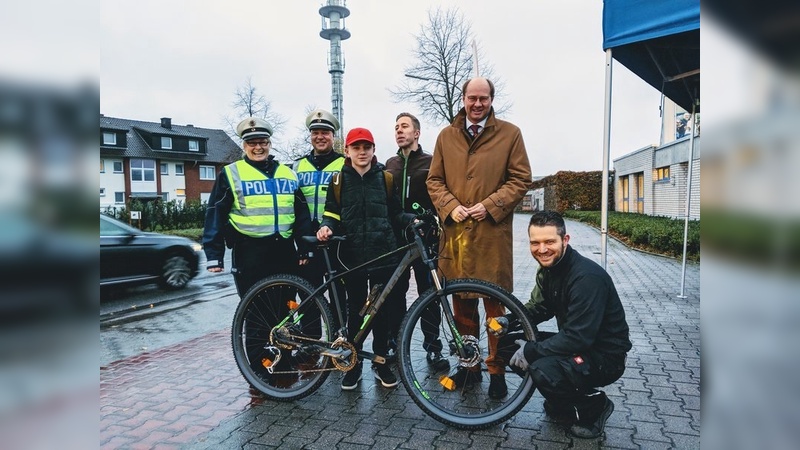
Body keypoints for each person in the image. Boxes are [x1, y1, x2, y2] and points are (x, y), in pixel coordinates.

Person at [427, 77, 533, 399]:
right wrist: (450, 206)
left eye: (483, 98)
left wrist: (488, 206)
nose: (477, 104)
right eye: (471, 98)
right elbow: (434, 180)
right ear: (463, 99)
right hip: (456, 240)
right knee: (462, 311)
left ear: (491, 99)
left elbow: (521, 178)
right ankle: (470, 367)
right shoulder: (446, 137)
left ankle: (497, 369)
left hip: (491, 240)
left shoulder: (510, 134)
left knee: (495, 314)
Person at [498, 211, 631, 439]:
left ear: (565, 240)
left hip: (604, 357)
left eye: (549, 241)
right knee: (507, 346)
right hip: (577, 345)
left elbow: (578, 337)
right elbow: (539, 308)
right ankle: (563, 399)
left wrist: (531, 350)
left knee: (541, 367)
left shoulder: (587, 278)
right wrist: (509, 320)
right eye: (535, 243)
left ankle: (594, 406)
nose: (542, 249)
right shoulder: (549, 269)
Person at [202, 117, 312, 378]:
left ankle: (283, 362)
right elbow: (215, 214)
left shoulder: (288, 173)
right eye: (252, 143)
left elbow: (301, 214)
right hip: (250, 252)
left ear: (270, 143)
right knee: (256, 313)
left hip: (283, 251)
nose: (258, 147)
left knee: (285, 310)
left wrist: (306, 248)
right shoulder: (231, 173)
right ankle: (260, 369)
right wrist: (214, 255)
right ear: (245, 145)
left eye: (262, 142)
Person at [316, 127, 415, 391]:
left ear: (373, 150)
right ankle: (354, 362)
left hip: (383, 254)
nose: (362, 152)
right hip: (351, 257)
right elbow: (331, 214)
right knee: (355, 310)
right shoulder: (338, 181)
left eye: (367, 147)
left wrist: (413, 219)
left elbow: (395, 214)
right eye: (356, 148)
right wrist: (327, 227)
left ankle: (381, 361)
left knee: (379, 311)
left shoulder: (385, 179)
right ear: (347, 151)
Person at [384, 112, 447, 371]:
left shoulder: (431, 162)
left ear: (417, 133)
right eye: (396, 127)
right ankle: (396, 345)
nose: (399, 131)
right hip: (396, 240)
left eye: (404, 126)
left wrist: (433, 223)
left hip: (425, 239)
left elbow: (441, 196)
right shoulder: (389, 164)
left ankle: (433, 348)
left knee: (429, 293)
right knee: (395, 295)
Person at [293, 109, 346, 332]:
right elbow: (293, 208)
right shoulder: (297, 167)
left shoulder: (345, 164)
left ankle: (339, 338)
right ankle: (311, 343)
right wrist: (301, 246)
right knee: (308, 295)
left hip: (337, 240)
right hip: (308, 240)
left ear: (333, 136)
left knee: (339, 297)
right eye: (315, 132)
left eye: (325, 132)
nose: (320, 137)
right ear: (310, 136)